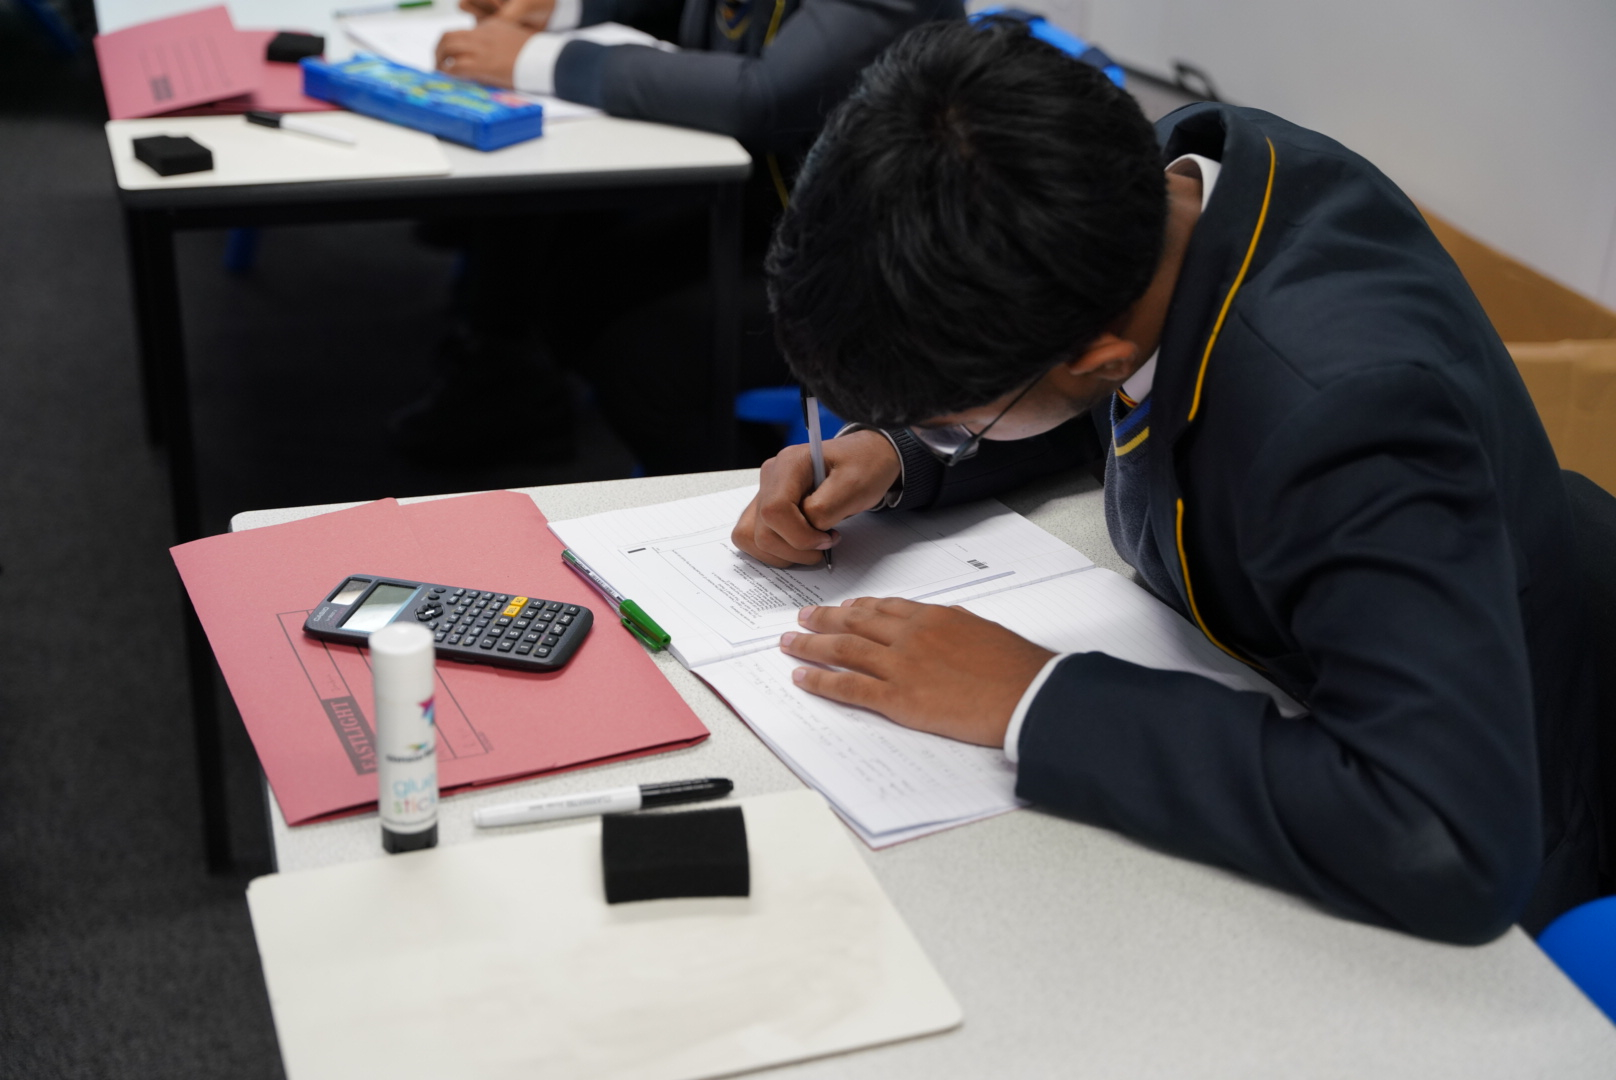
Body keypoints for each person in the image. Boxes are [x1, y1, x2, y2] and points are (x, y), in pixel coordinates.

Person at [732, 19, 1607, 942]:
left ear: (1096, 354)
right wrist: (903, 452)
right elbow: (1137, 383)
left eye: (961, 420)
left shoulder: (1346, 409)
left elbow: (1445, 837)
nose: (954, 434)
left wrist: (1031, 696)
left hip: (1475, 826)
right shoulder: (1151, 190)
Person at [392, 0, 963, 468]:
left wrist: (538, 60)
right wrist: (563, 9)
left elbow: (762, 94)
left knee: (644, 355)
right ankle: (513, 399)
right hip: (776, 224)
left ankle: (738, 509)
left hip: (879, 275)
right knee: (575, 279)